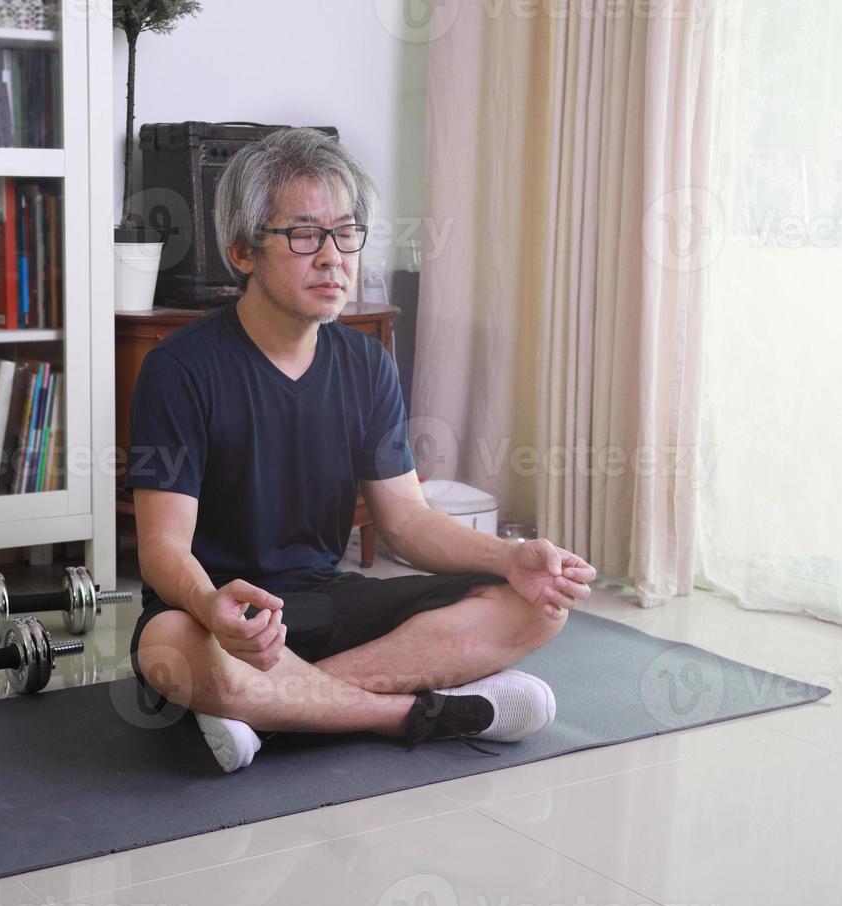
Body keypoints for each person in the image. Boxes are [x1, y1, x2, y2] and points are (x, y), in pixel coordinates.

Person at [125, 127, 596, 772]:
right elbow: (162, 551)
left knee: (534, 607)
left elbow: (407, 523)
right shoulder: (178, 369)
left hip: (322, 601)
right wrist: (212, 605)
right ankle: (408, 713)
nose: (332, 257)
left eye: (345, 233)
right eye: (302, 234)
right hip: (216, 614)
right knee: (168, 648)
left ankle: (267, 711)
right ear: (241, 251)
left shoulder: (366, 363)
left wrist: (511, 557)